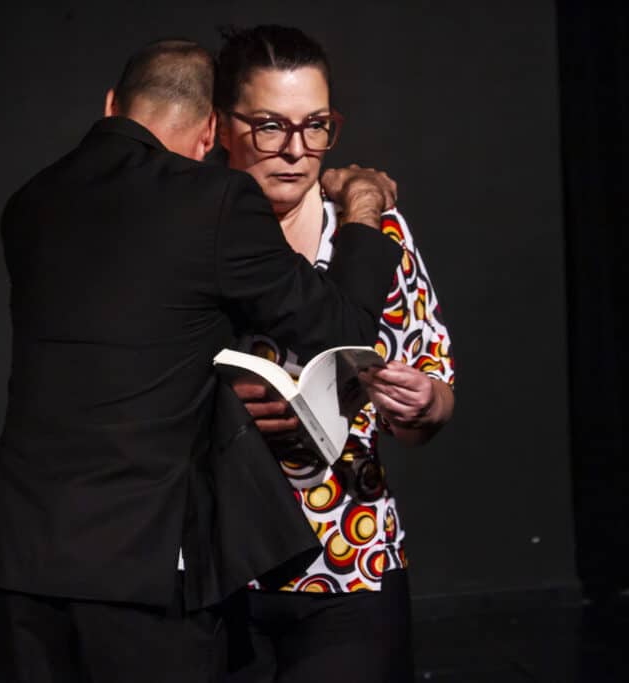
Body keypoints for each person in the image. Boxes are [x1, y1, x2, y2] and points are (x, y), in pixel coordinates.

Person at [0, 38, 404, 682]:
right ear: (210, 134)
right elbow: (343, 326)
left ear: (113, 104)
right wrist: (363, 209)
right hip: (140, 562)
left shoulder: (31, 201)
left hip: (25, 549)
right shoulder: (215, 200)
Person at [213, 25, 456, 682]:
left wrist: (421, 401)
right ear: (221, 124)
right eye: (269, 126)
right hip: (215, 569)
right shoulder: (188, 227)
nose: (296, 150)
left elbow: (432, 381)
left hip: (351, 563)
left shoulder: (373, 226)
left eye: (315, 125)